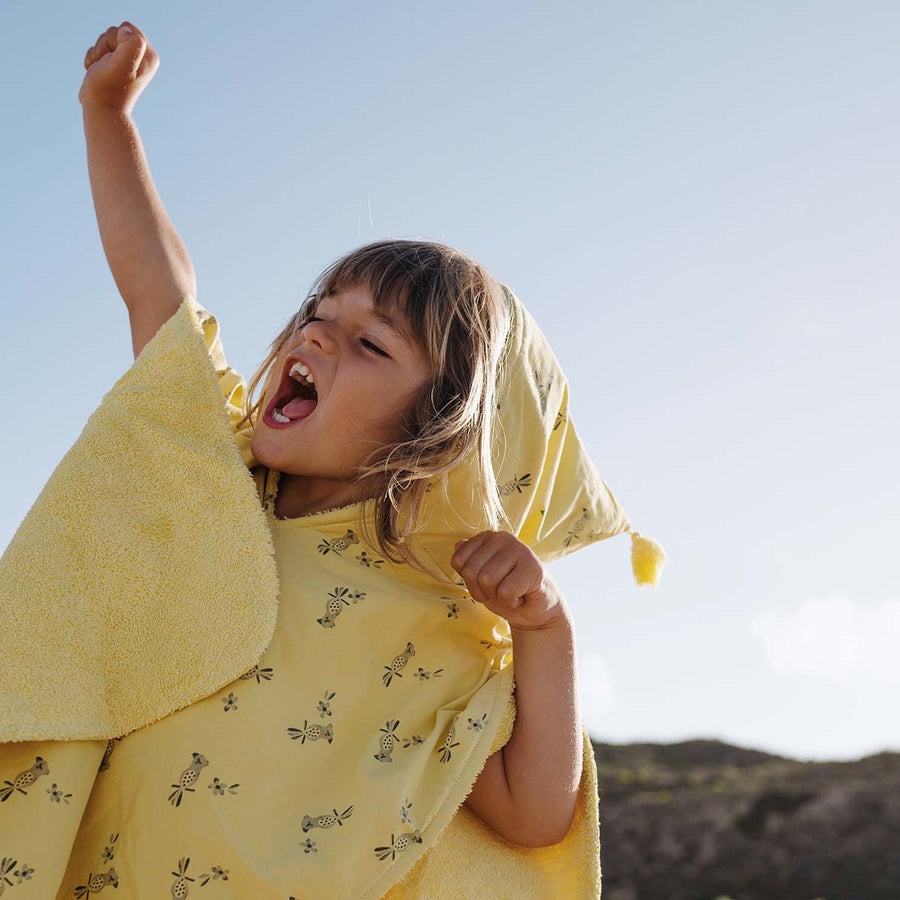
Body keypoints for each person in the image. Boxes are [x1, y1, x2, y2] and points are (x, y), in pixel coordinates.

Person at [0, 21, 666, 898]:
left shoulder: (431, 621)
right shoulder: (210, 472)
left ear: (438, 429)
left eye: (371, 343)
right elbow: (159, 291)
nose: (315, 334)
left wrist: (545, 630)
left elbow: (533, 816)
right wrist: (107, 115)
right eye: (320, 312)